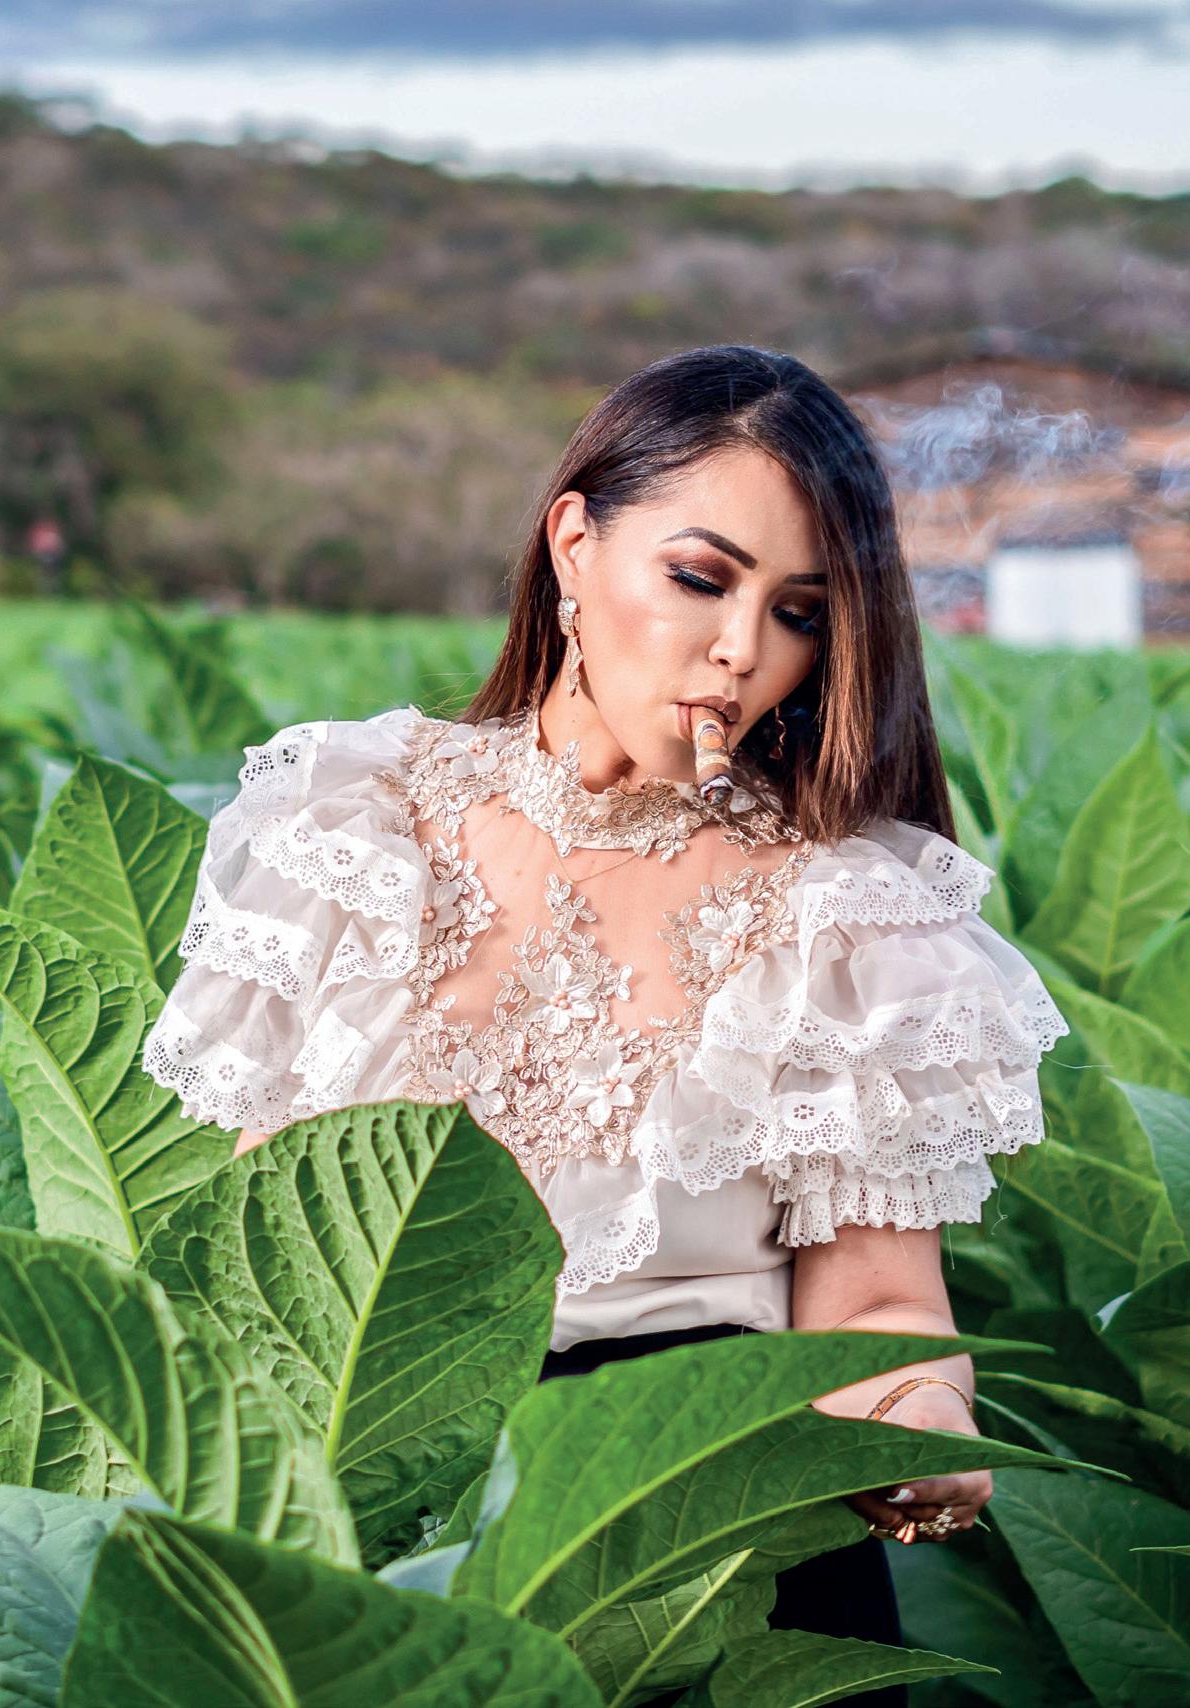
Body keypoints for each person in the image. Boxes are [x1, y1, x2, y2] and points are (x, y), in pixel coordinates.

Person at [141, 343, 1070, 1703]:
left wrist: (916, 1423)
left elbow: (878, 1304)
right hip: (371, 1517)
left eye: (798, 612)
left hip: (703, 1551)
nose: (742, 650)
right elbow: (261, 1251)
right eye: (700, 578)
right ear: (573, 543)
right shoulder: (348, 822)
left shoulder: (847, 914)